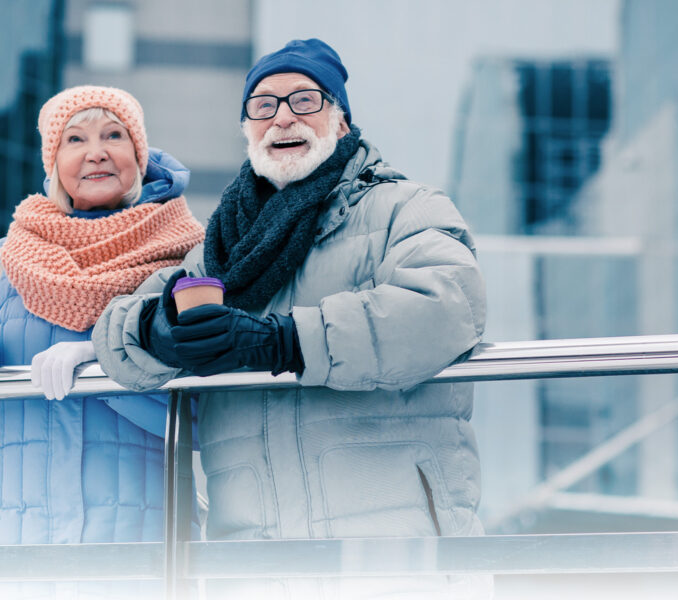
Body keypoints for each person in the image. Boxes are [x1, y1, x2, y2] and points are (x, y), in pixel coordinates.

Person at [94, 39, 489, 598]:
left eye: (304, 100)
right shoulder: (219, 246)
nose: (281, 117)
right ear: (247, 130)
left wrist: (284, 341)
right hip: (253, 559)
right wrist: (157, 332)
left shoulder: (405, 206)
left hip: (393, 553)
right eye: (262, 105)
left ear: (342, 121)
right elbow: (117, 329)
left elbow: (448, 307)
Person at [0, 85, 204, 556]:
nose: (96, 153)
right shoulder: (5, 259)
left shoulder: (184, 258)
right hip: (14, 538)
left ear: (138, 152)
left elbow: (203, 408)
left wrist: (107, 360)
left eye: (113, 135)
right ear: (54, 162)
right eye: (75, 140)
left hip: (141, 539)